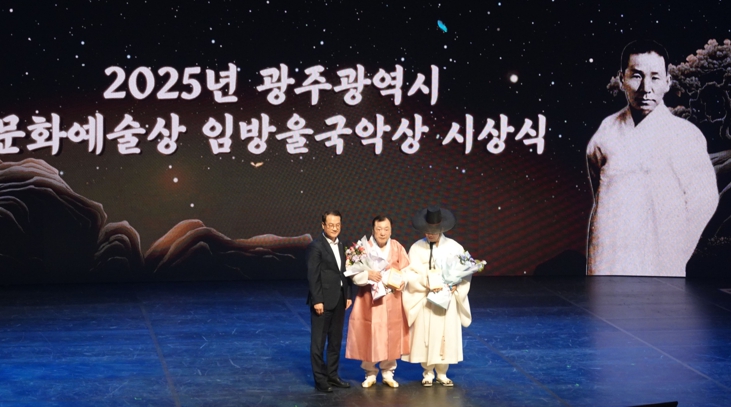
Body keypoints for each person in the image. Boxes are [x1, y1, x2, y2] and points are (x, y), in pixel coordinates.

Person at [586, 39, 718, 276]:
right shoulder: (606, 131)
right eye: (636, 76)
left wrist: (676, 250)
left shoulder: (685, 135)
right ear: (622, 79)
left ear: (667, 82)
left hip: (660, 255)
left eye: (655, 77)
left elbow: (704, 200)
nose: (645, 87)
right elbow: (597, 182)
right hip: (608, 252)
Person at [401, 206, 472, 387]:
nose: (430, 234)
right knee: (425, 334)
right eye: (427, 231)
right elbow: (409, 273)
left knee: (445, 333)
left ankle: (442, 372)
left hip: (447, 299)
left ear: (441, 229)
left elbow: (465, 273)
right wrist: (425, 282)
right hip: (426, 298)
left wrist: (457, 285)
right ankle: (427, 372)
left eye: (433, 231)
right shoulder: (417, 248)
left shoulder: (455, 247)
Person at [345, 215, 410, 388]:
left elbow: (407, 270)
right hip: (369, 299)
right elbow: (353, 273)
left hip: (392, 298)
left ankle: (388, 372)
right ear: (373, 230)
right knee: (370, 333)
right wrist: (368, 275)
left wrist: (401, 280)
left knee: (392, 334)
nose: (382, 233)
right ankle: (370, 372)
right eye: (379, 229)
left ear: (391, 230)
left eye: (386, 229)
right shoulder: (363, 248)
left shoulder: (397, 247)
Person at [306, 210, 352, 393]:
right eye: (331, 225)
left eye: (337, 225)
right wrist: (317, 300)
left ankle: (333, 376)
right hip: (323, 301)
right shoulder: (316, 246)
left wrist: (348, 294)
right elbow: (313, 275)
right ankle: (320, 380)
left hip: (339, 298)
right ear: (323, 225)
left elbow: (345, 272)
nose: (334, 228)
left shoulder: (343, 245)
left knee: (335, 340)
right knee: (318, 342)